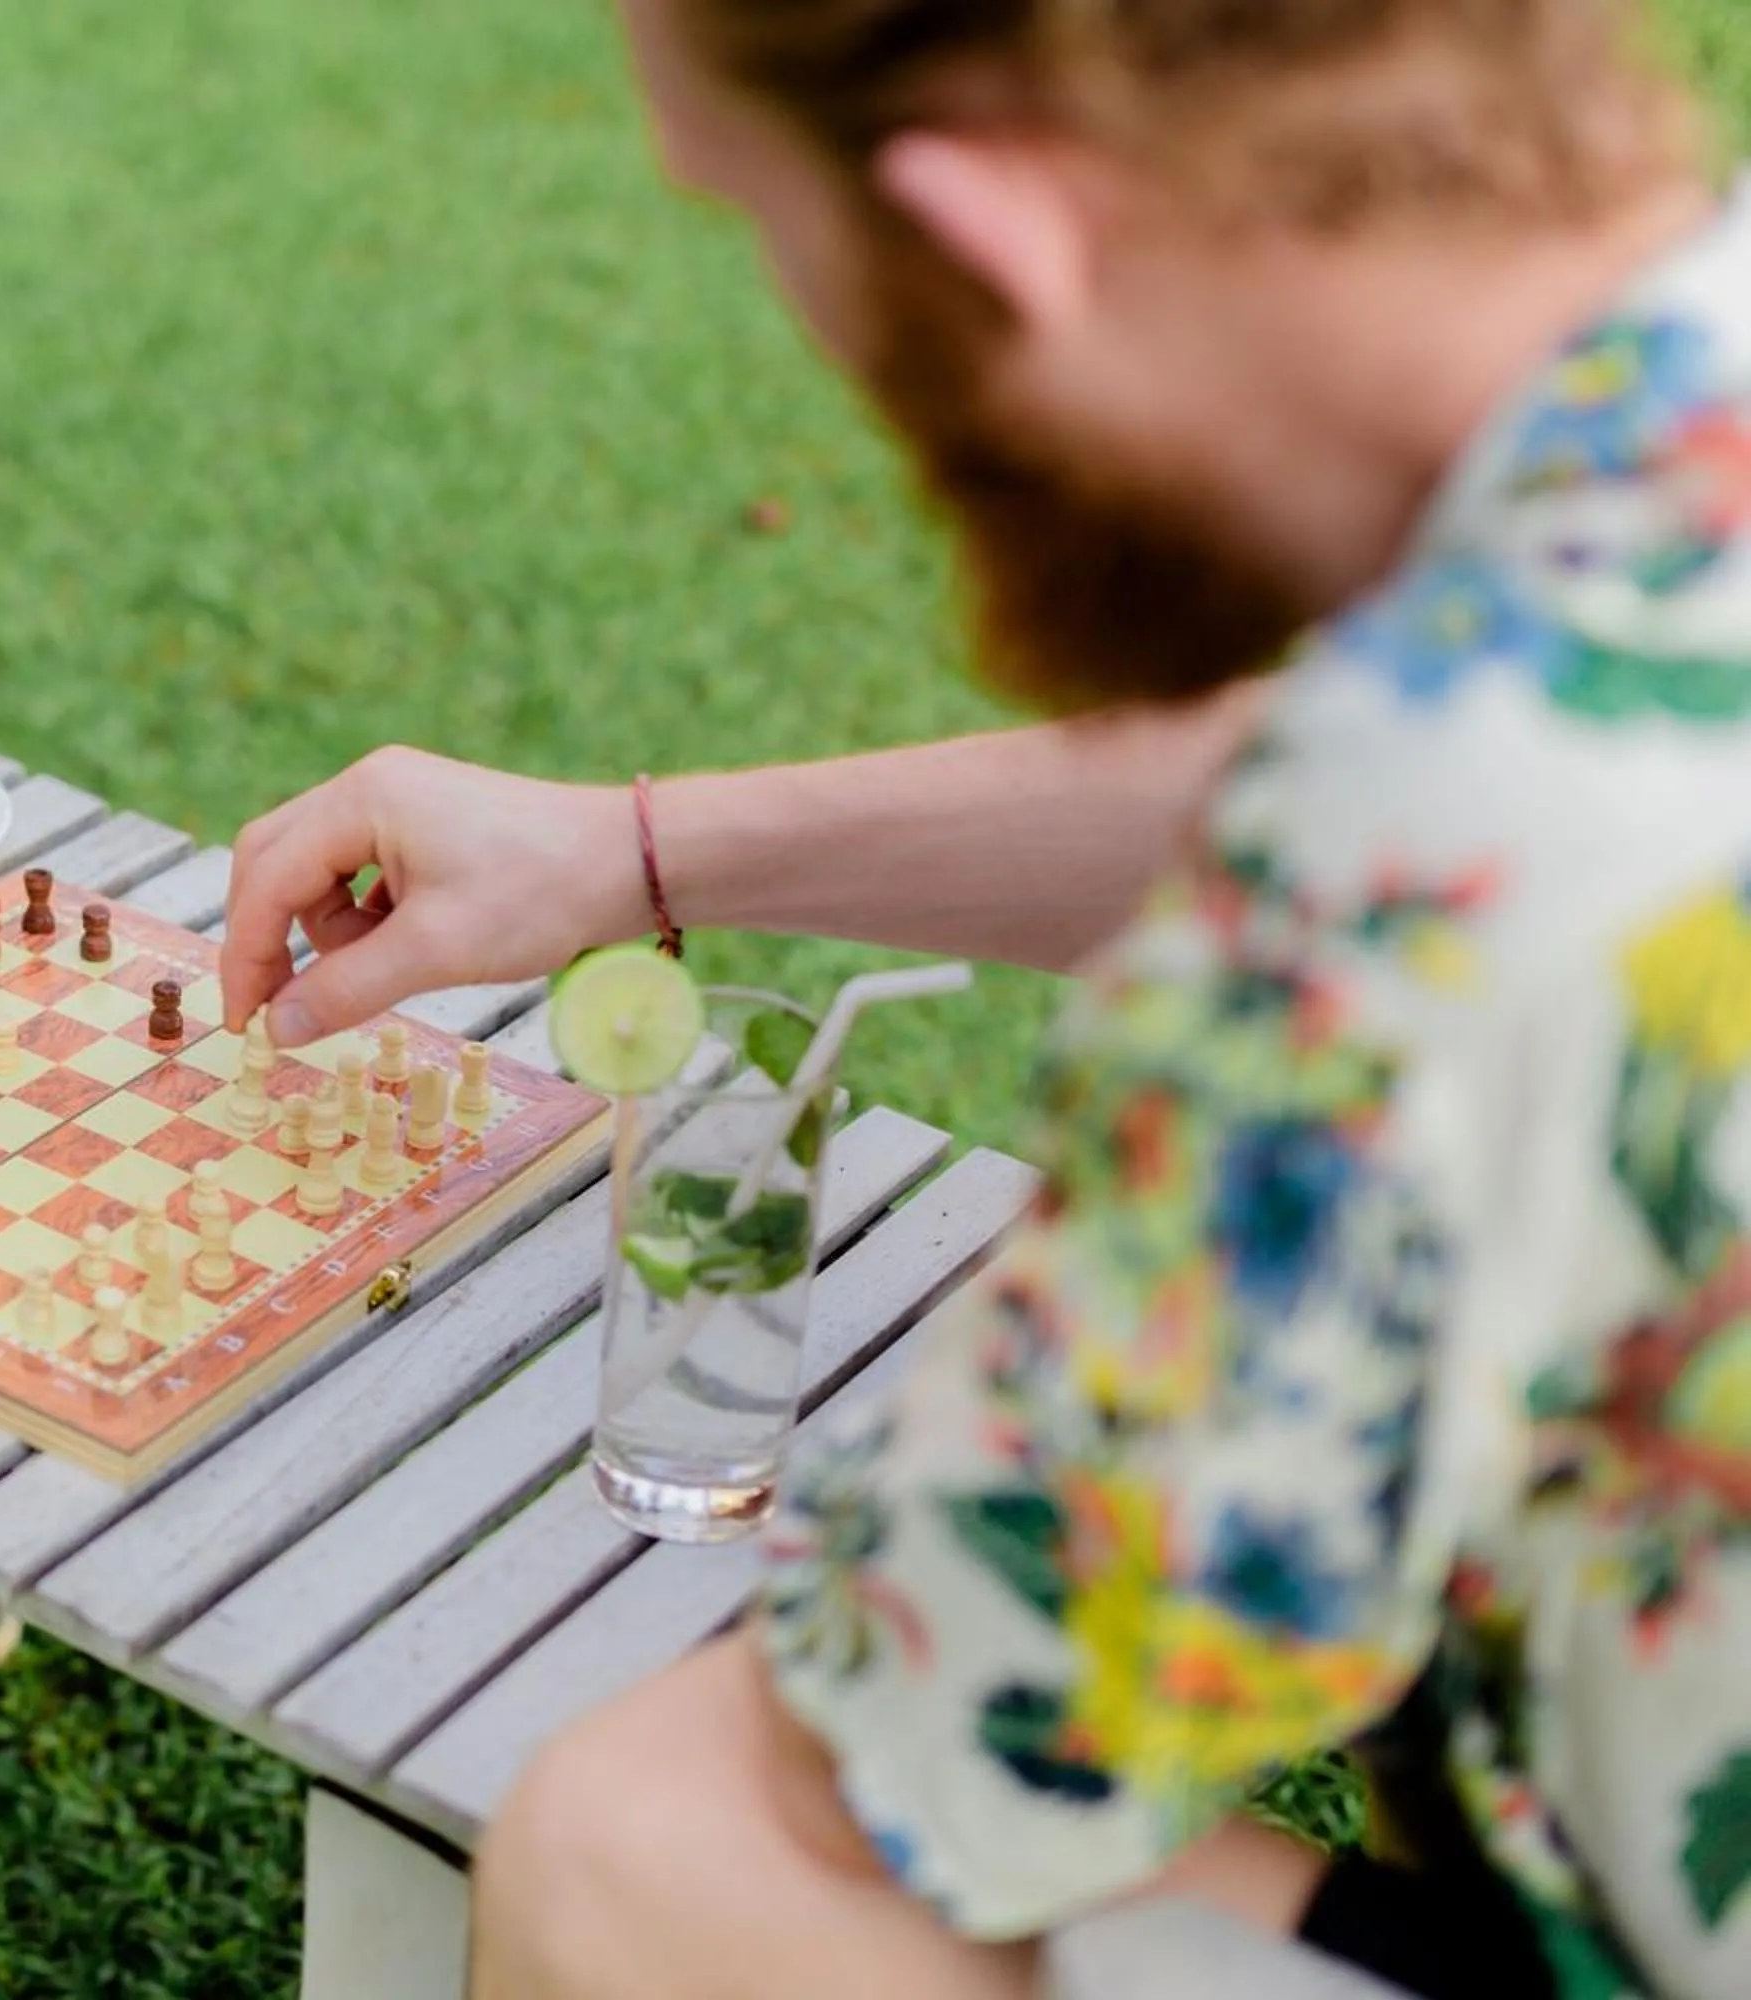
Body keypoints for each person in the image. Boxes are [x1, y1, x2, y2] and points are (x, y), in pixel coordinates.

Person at [221, 2, 1749, 1995]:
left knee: (648, 1852)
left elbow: (889, 1747)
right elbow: (1399, 775)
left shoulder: (1411, 851)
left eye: (754, 222)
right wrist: (636, 849)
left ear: (987, 240)